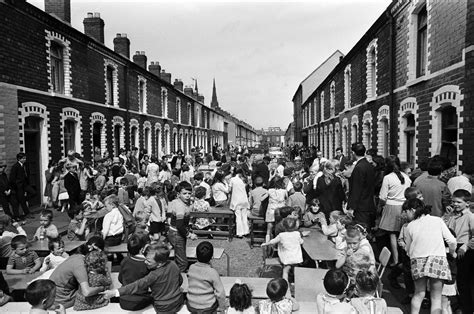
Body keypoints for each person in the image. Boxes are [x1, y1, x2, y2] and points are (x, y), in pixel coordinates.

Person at [404, 199, 457, 314]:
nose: (405, 214)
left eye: (406, 211)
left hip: (417, 260)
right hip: (438, 259)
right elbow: (452, 240)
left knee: (418, 294)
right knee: (436, 298)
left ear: (412, 210)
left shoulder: (410, 226)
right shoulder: (437, 220)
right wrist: (452, 252)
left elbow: (408, 249)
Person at [102, 242, 185, 313]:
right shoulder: (173, 264)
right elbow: (180, 281)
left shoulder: (154, 275)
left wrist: (115, 292)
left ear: (159, 264)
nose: (145, 262)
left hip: (163, 307)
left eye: (148, 261)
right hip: (177, 301)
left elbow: (136, 285)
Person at [443, 189, 474, 314]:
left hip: (464, 250)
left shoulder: (471, 217)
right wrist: (446, 216)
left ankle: (466, 308)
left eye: (458, 202)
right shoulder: (452, 215)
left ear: (467, 203)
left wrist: (465, 247)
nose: (455, 204)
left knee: (462, 280)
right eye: (453, 202)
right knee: (453, 279)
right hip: (452, 247)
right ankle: (457, 303)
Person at [378, 155, 411, 267]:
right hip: (404, 206)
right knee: (404, 234)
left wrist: (381, 206)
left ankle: (396, 259)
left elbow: (382, 197)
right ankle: (404, 259)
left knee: (393, 235)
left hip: (391, 206)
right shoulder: (406, 177)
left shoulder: (387, 177)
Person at [186, 242, 226, 312]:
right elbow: (221, 293)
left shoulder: (191, 267)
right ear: (212, 256)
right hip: (207, 306)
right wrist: (222, 308)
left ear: (196, 255)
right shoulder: (212, 272)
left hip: (191, 304)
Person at [262, 217, 303, 282]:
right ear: (295, 226)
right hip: (296, 257)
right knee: (296, 270)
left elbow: (273, 241)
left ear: (283, 226)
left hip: (287, 258)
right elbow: (301, 242)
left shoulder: (281, 235)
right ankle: (296, 282)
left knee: (285, 271)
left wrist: (266, 243)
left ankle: (285, 284)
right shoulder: (297, 234)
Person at [118, 234, 152, 310]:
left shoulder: (125, 260)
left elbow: (120, 279)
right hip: (139, 300)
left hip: (123, 299)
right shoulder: (146, 264)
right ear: (142, 249)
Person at [347, 143, 376, 228]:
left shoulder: (359, 167)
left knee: (360, 230)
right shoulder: (368, 165)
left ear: (353, 153)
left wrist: (352, 207)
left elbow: (357, 189)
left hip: (360, 206)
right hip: (368, 204)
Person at [168, 181, 193, 272]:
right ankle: (177, 279)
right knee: (183, 263)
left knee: (178, 257)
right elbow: (179, 225)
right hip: (177, 233)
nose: (187, 196)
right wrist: (189, 234)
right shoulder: (180, 206)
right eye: (184, 193)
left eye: (189, 193)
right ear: (178, 194)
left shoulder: (180, 202)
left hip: (177, 233)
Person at [9, 152, 32, 220]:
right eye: (23, 158)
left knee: (33, 192)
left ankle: (25, 200)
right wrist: (16, 185)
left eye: (25, 158)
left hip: (25, 185)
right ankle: (25, 213)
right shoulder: (15, 166)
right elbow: (12, 178)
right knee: (20, 201)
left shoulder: (25, 165)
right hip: (19, 186)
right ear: (19, 159)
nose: (25, 159)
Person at [229, 168, 250, 238]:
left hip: (236, 200)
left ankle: (240, 232)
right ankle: (246, 231)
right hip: (244, 199)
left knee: (238, 216)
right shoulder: (244, 179)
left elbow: (229, 190)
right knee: (244, 216)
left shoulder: (232, 179)